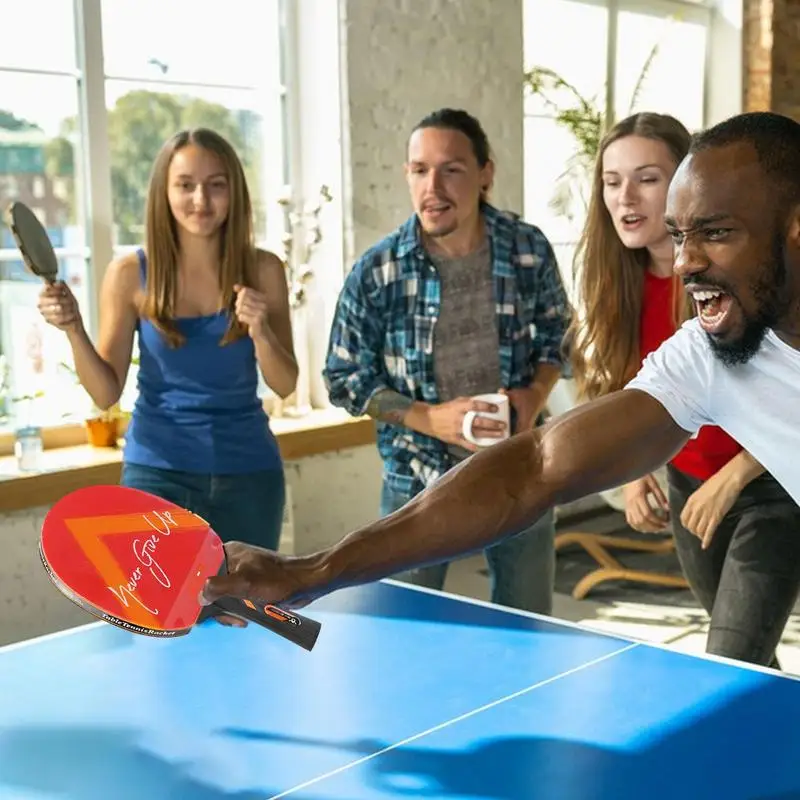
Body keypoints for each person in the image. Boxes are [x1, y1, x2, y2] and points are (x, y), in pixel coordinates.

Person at [201, 111, 800, 630]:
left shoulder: (528, 251)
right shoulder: (708, 351)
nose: (688, 262)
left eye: (717, 234)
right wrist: (314, 570)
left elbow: (549, 352)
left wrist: (530, 393)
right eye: (679, 235)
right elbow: (537, 465)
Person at [567, 111, 800, 667]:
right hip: (687, 482)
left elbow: (784, 398)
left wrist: (734, 476)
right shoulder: (614, 282)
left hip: (764, 486)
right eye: (612, 180)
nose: (627, 198)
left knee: (729, 656)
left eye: (648, 178)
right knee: (744, 657)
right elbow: (630, 392)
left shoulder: (752, 279)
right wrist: (634, 470)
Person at [322, 108, 571, 614]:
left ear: (485, 174)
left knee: (527, 630)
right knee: (400, 631)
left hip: (518, 468)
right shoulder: (378, 270)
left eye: (451, 169)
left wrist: (536, 394)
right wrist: (426, 418)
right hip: (415, 478)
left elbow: (557, 336)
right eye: (419, 169)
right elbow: (343, 377)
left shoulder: (529, 249)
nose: (432, 185)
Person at [37, 127, 297, 550]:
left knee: (245, 613)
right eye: (186, 185)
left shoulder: (265, 269)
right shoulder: (128, 275)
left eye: (216, 185)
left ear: (234, 192)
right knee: (160, 616)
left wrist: (261, 331)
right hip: (157, 476)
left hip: (250, 476)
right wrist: (73, 329)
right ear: (164, 191)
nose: (201, 200)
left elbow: (285, 384)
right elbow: (105, 394)